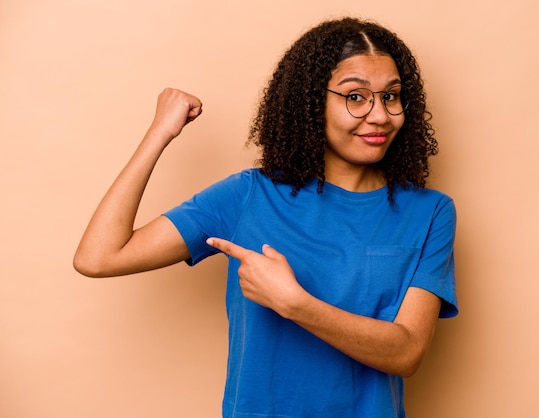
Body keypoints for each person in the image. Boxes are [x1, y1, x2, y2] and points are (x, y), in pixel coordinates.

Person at [74, 17, 458, 418]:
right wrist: (159, 133)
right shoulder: (247, 196)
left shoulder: (430, 212)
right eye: (356, 97)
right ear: (311, 103)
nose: (380, 115)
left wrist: (295, 303)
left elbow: (407, 352)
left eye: (391, 96)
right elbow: (99, 257)